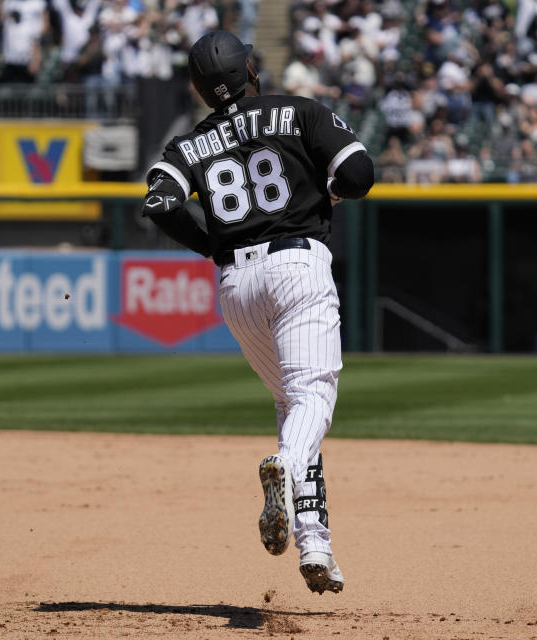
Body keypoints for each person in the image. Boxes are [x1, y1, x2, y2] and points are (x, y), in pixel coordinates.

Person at [141, 30, 373, 595]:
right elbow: (359, 176)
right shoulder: (300, 111)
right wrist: (327, 193)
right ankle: (285, 470)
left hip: (236, 286)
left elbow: (159, 202)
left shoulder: (189, 142)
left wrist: (210, 247)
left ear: (200, 91)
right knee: (314, 395)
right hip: (297, 267)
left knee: (291, 404)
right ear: (251, 72)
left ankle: (314, 542)